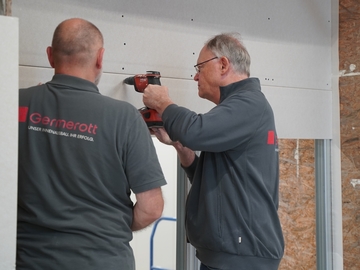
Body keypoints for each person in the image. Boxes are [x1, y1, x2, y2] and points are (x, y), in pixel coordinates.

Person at [17, 18, 166, 270]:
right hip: (103, 260)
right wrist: (105, 226)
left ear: (50, 56)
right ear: (100, 58)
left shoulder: (16, 104)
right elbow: (151, 208)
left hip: (28, 260)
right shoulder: (125, 117)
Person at [143, 33, 284, 270]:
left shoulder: (249, 104)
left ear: (223, 64)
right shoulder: (235, 110)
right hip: (229, 256)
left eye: (200, 67)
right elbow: (218, 181)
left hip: (241, 257)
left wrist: (163, 103)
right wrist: (181, 148)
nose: (196, 76)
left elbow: (195, 131)